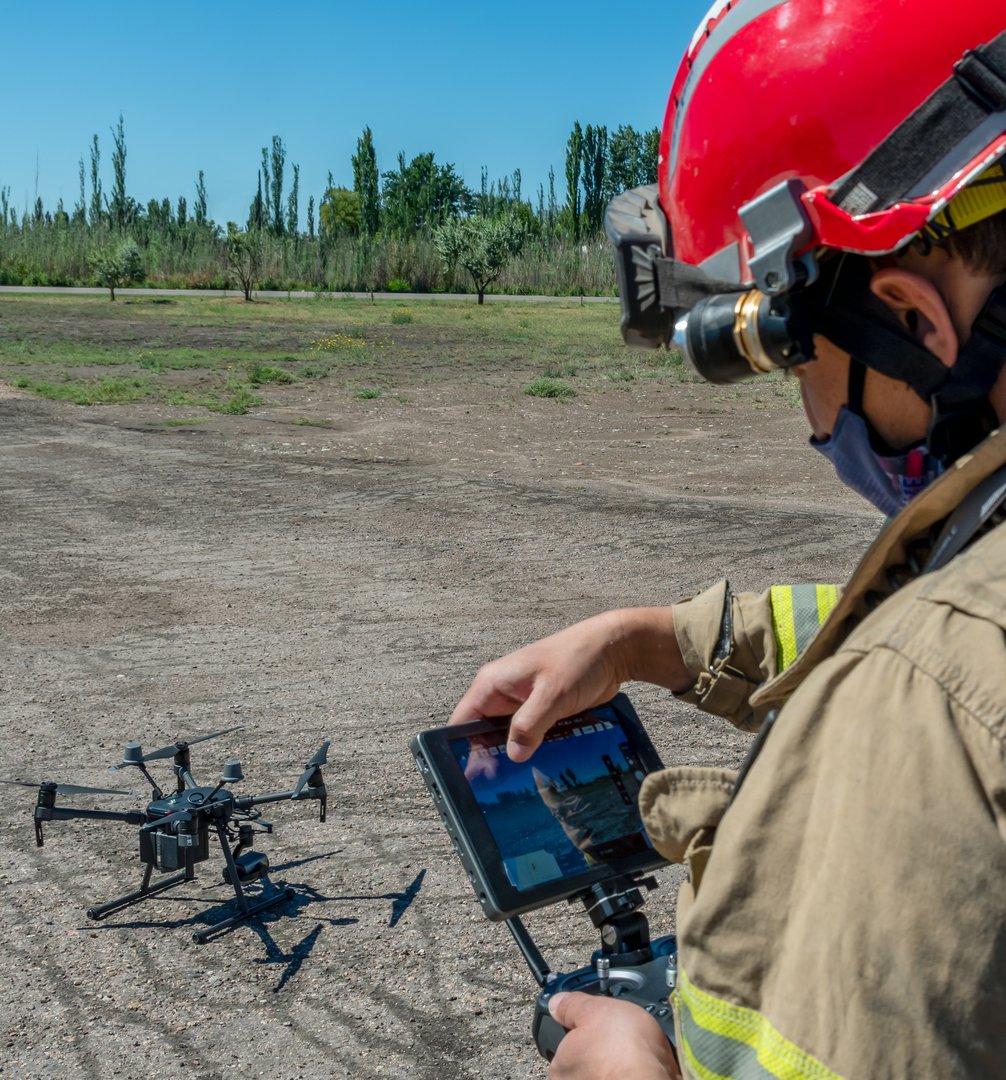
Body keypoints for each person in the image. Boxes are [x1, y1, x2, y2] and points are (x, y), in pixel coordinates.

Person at [449, 3, 1006, 1077]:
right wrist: (651, 638)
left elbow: (931, 662)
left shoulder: (931, 701)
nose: (810, 417)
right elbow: (912, 619)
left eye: (797, 363)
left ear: (914, 321)